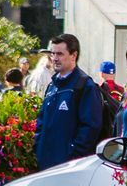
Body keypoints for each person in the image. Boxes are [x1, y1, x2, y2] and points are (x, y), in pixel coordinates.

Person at [34, 34, 105, 171]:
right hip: (46, 165)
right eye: (53, 53)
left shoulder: (85, 86)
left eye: (60, 54)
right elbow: (42, 120)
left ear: (74, 55)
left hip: (69, 168)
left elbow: (91, 127)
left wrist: (73, 155)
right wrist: (38, 145)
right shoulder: (52, 85)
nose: (54, 58)